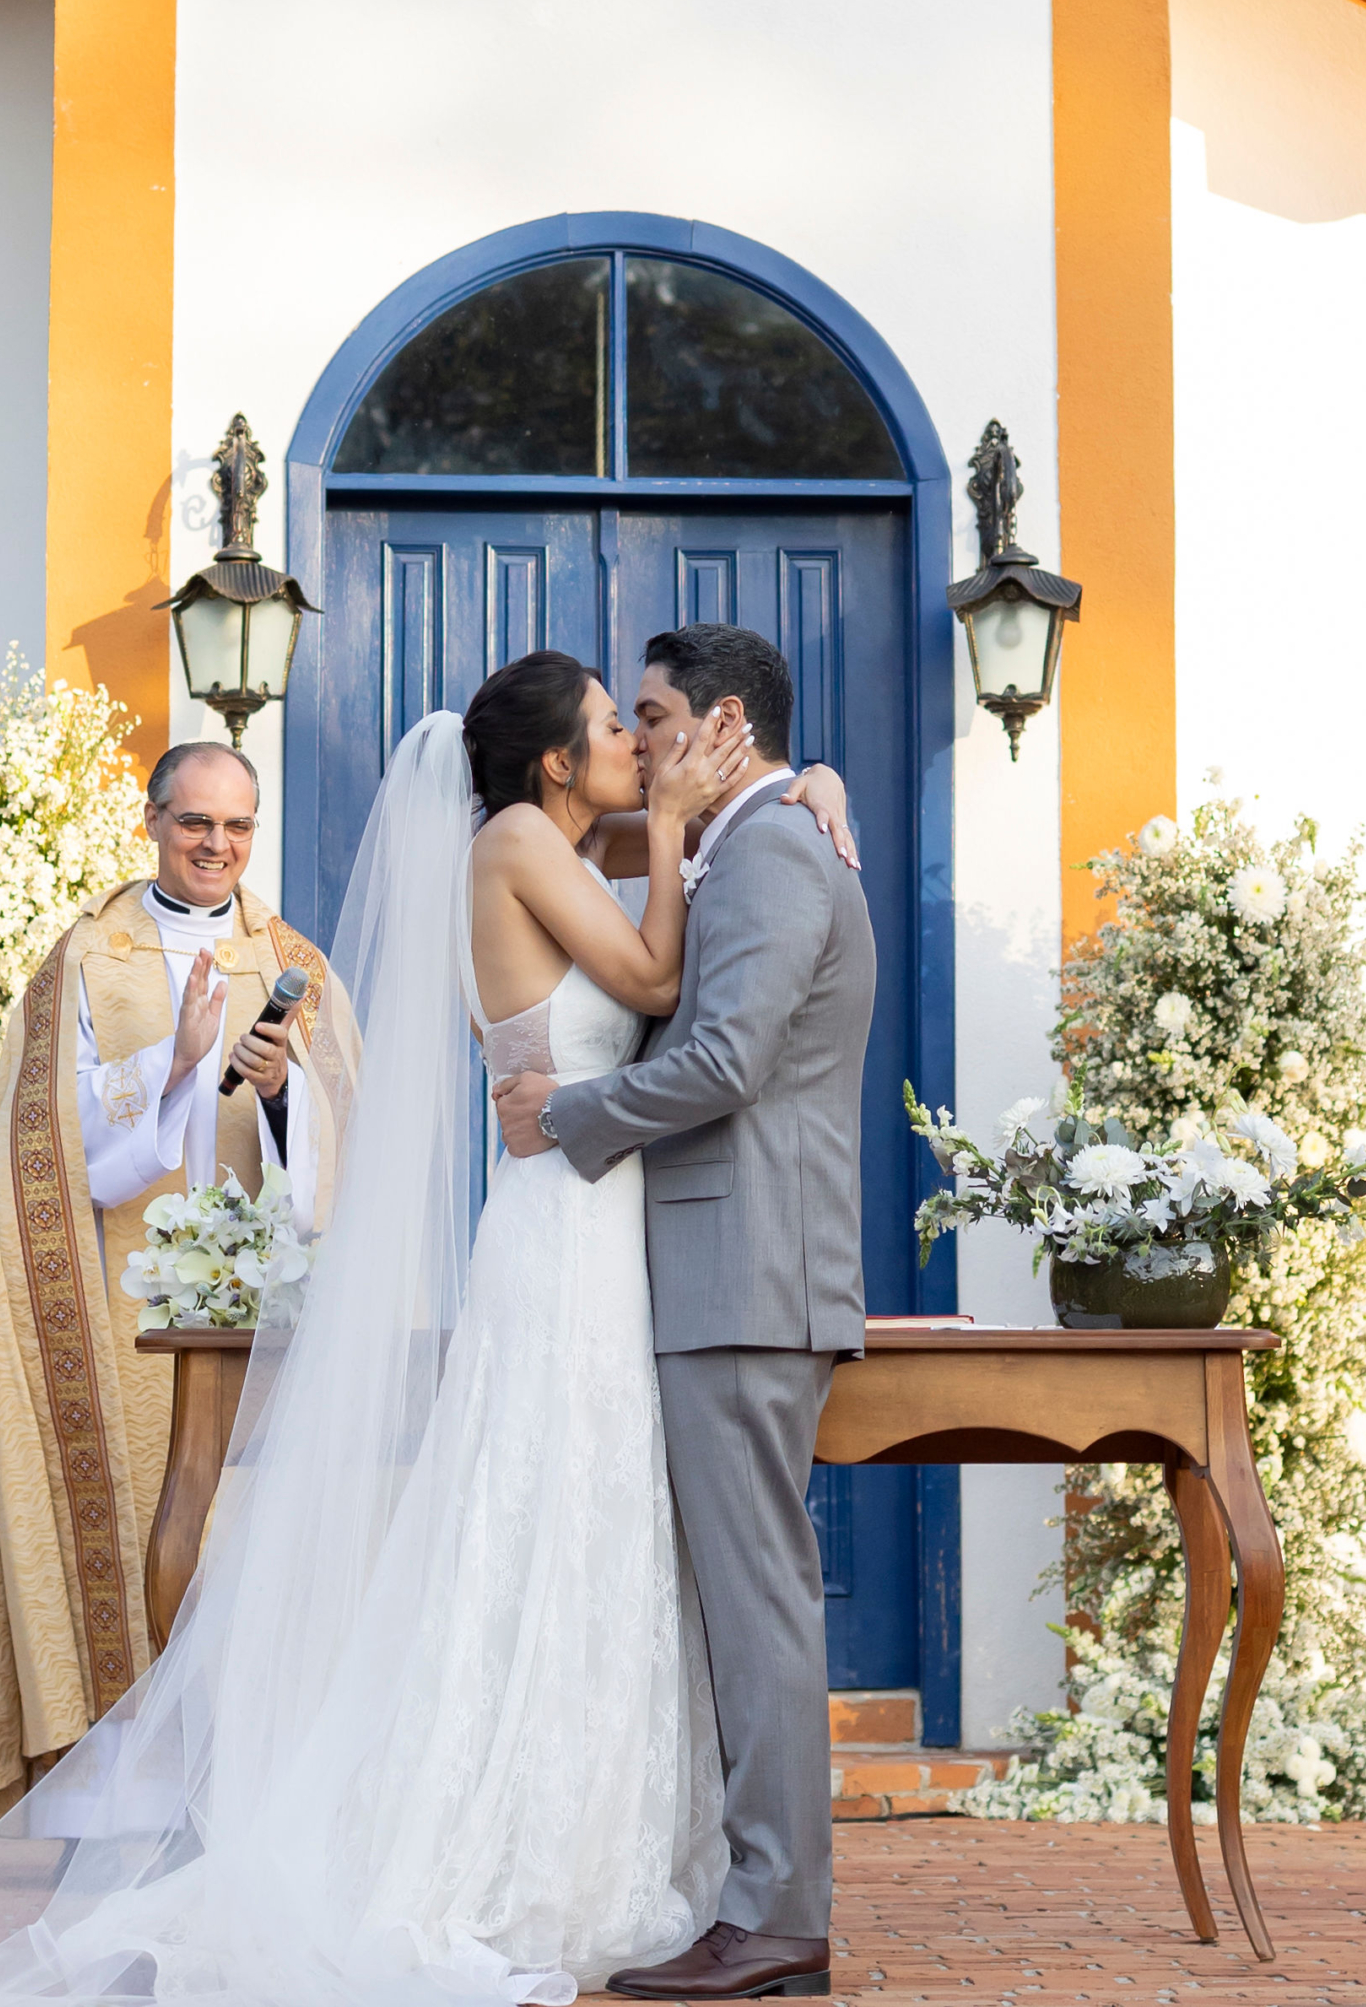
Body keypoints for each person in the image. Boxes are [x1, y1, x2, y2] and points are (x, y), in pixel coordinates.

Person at [0, 661, 854, 2005]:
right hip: (565, 1224)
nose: (636, 753)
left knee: (594, 1525)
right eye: (608, 731)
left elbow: (677, 852)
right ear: (554, 767)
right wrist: (694, 824)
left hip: (593, 1221)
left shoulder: (550, 836)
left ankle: (614, 1829)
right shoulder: (520, 843)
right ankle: (512, 1842)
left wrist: (801, 780)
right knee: (547, 1520)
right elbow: (648, 972)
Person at [495, 624, 877, 2002]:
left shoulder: (773, 848)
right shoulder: (756, 831)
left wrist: (568, 1117)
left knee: (758, 1604)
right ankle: (743, 1892)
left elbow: (720, 1059)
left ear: (720, 721)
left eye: (651, 715)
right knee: (730, 1602)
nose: (639, 739)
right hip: (719, 1274)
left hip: (747, 1276)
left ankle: (776, 1916)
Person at [0, 741, 357, 1830]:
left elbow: (353, 1153)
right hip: (118, 1306)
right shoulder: (83, 958)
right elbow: (46, 1145)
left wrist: (284, 1087)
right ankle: (113, 1821)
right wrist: (170, 1064)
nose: (217, 846)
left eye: (238, 827)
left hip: (262, 1305)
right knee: (122, 1533)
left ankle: (247, 1802)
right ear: (152, 821)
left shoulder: (292, 959)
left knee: (244, 1536)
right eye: (195, 822)